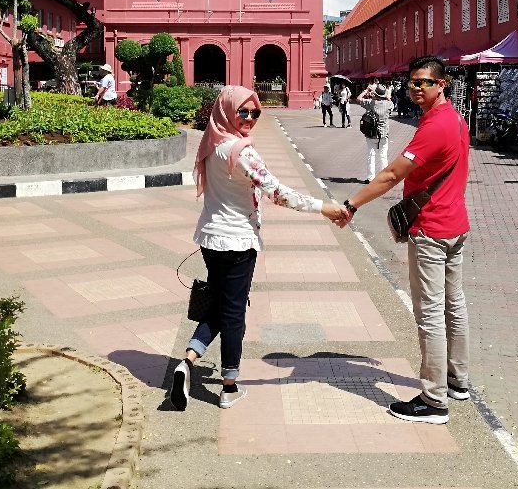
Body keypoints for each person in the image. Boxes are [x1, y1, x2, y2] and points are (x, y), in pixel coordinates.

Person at [170, 86, 349, 412]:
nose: (250, 118)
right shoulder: (242, 152)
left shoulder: (212, 144)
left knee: (222, 304)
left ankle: (187, 361)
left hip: (211, 239)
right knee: (234, 311)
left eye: (255, 112)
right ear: (228, 111)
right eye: (243, 112)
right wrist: (324, 207)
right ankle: (229, 385)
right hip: (238, 242)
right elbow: (277, 193)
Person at [339, 56, 470, 425]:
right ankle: (457, 381)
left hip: (431, 230)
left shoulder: (436, 125)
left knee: (430, 313)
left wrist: (351, 204)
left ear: (441, 85)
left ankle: (433, 401)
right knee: (453, 305)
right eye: (412, 81)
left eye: (425, 82)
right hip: (455, 225)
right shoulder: (455, 119)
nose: (416, 88)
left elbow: (393, 173)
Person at [356, 83, 393, 183]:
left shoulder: (371, 103)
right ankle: (383, 178)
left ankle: (370, 177)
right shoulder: (389, 104)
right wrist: (387, 97)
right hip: (383, 134)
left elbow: (358, 99)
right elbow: (390, 103)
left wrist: (366, 90)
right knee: (383, 156)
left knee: (371, 154)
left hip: (371, 133)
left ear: (375, 94)